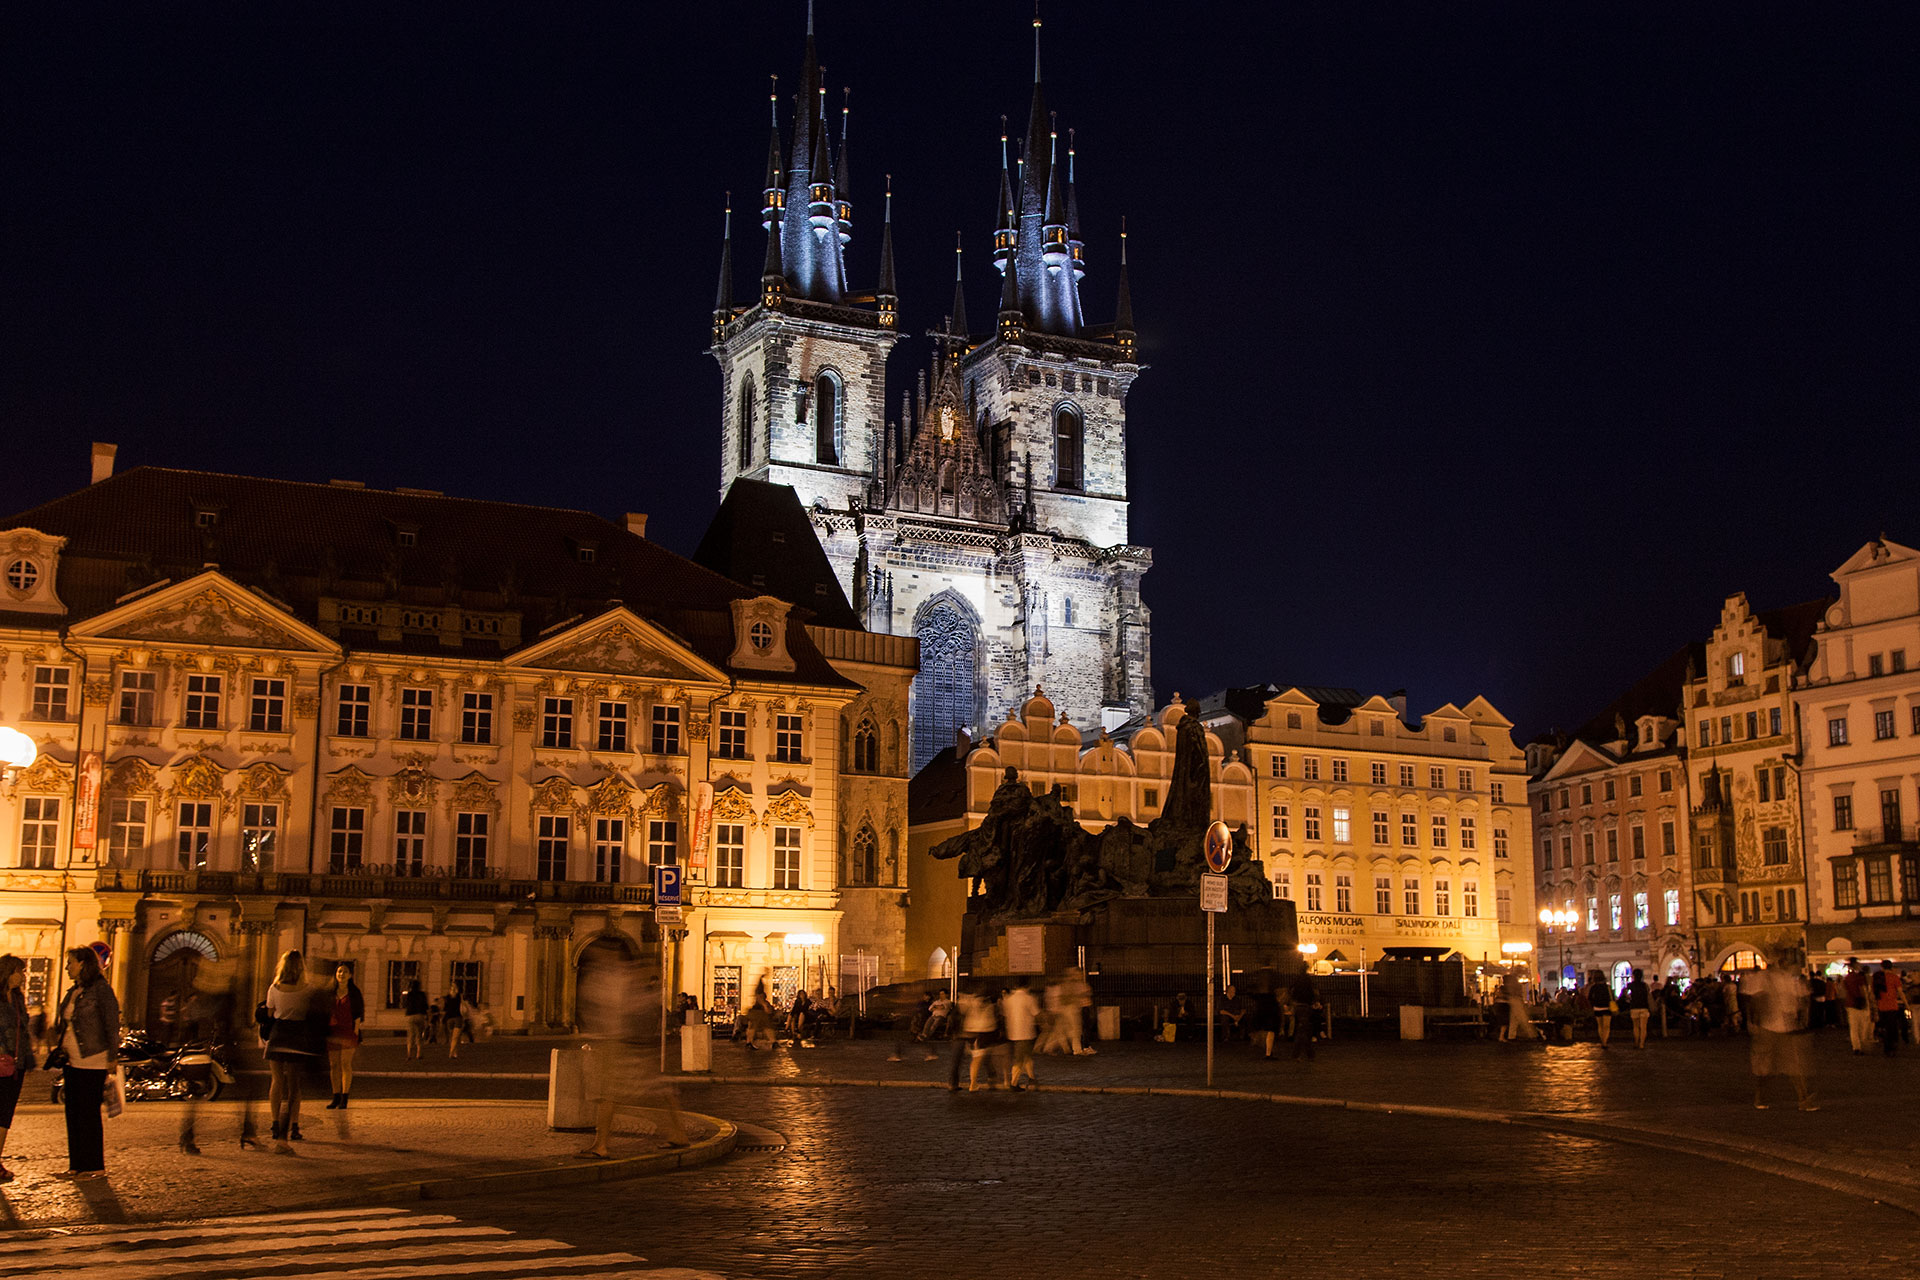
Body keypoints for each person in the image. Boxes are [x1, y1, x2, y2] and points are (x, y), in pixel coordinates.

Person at [574, 952, 688, 1159]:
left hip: (627, 1048)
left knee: (609, 1095)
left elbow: (624, 1019)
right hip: (638, 1048)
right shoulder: (642, 989)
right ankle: (678, 1134)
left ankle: (601, 1145)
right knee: (661, 1092)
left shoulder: (634, 989)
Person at [51, 945, 121, 1178]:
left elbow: (112, 1025)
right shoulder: (74, 991)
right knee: (73, 1112)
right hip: (71, 1060)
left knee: (89, 1113)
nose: (67, 967)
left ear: (83, 964)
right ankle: (76, 1165)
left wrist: (113, 1057)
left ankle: (95, 1166)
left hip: (94, 1059)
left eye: (70, 962)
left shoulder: (102, 990)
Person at [262, 950, 316, 1151]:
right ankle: (294, 1126)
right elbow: (310, 1013)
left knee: (276, 1080)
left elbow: (270, 1013)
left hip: (278, 1032)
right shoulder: (307, 989)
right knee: (295, 1084)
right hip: (298, 1034)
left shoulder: (274, 988)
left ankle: (275, 1123)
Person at [1748, 962, 1816, 1111]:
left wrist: (1801, 1014)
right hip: (1768, 1027)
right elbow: (1754, 1001)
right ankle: (1760, 1097)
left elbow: (1803, 996)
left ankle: (1803, 1099)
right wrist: (1753, 1022)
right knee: (1765, 1068)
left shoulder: (1788, 977)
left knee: (1794, 1066)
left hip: (1786, 1028)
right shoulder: (1763, 977)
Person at [0, 955, 37, 1183]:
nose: (22, 976)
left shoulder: (17, 998)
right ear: (7, 972)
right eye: (19, 971)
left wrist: (27, 1057)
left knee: (5, 1114)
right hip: (1, 1060)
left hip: (15, 1064)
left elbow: (22, 1030)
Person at [325, 963, 365, 1109]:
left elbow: (359, 1013)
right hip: (333, 1032)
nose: (341, 974)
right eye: (339, 971)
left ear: (350, 975)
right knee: (334, 1065)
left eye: (345, 972)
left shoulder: (354, 993)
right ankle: (335, 1096)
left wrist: (355, 1031)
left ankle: (344, 1097)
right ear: (336, 974)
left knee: (345, 1064)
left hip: (348, 1032)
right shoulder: (330, 992)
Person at [1002, 980, 1040, 1090]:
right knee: (1020, 1058)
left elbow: (1005, 1015)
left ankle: (1031, 1077)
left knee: (1026, 1056)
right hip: (1025, 1032)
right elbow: (1036, 1013)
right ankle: (1013, 1083)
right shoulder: (1028, 998)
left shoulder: (1009, 999)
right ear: (1027, 986)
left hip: (1013, 1032)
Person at [1871, 961, 1907, 1056]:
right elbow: (1900, 992)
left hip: (1881, 1006)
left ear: (1882, 967)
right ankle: (1892, 1046)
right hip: (1892, 1006)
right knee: (1892, 1027)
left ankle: (1886, 1048)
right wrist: (1906, 1004)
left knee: (1884, 1027)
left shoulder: (1877, 978)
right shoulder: (1894, 977)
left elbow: (1873, 992)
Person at [1288, 970, 1321, 1061]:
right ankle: (1305, 1054)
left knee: (1302, 1030)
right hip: (1306, 1006)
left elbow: (1291, 992)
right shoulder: (1308, 983)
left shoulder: (1296, 983)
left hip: (1298, 1006)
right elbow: (1313, 993)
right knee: (1304, 1031)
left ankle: (1303, 1054)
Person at [1623, 968, 1652, 1049]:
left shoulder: (1630, 985)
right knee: (1643, 1027)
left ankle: (1636, 1042)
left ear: (1633, 976)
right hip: (1644, 1007)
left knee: (1635, 1026)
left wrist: (1629, 998)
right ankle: (1642, 1044)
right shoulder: (1645, 985)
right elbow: (1648, 995)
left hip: (1634, 1007)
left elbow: (1625, 994)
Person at [1586, 973, 1616, 1049]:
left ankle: (1602, 1040)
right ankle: (1604, 1042)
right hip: (1607, 1008)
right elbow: (1612, 997)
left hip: (1597, 1008)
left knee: (1600, 1026)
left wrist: (1593, 1004)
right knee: (1606, 1026)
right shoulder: (1607, 987)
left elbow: (1589, 998)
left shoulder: (1593, 987)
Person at [404, 979, 430, 1059]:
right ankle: (418, 1054)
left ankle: (409, 1053)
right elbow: (426, 1006)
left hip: (410, 1016)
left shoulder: (409, 994)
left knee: (410, 1035)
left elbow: (406, 1004)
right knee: (419, 1035)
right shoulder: (422, 994)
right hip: (420, 1015)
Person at [442, 986, 467, 1059]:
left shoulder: (447, 998)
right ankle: (451, 1052)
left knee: (452, 1037)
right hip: (457, 1018)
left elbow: (445, 1008)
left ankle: (455, 1053)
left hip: (449, 1019)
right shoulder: (458, 997)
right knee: (455, 1038)